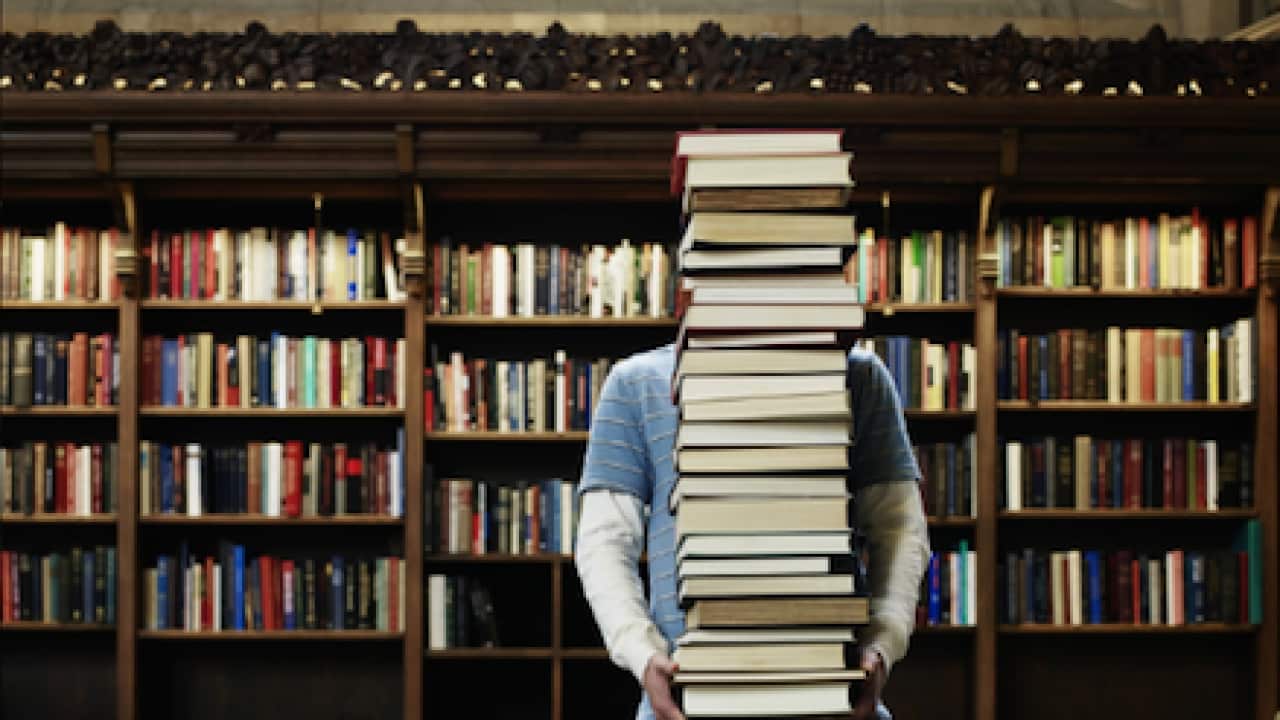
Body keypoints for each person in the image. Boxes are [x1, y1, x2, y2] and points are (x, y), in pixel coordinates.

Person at [574, 325, 932, 720]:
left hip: (834, 692)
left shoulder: (859, 375)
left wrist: (881, 647)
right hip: (686, 696)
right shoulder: (636, 383)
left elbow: (900, 530)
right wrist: (643, 654)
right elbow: (603, 542)